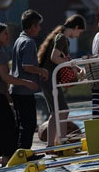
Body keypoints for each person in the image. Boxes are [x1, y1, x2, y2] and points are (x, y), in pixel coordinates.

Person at [0, 23, 38, 166]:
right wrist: (26, 83)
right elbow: (5, 77)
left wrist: (6, 93)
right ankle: (6, 158)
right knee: (9, 125)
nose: (8, 36)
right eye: (4, 33)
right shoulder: (0, 53)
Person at [37, 15, 86, 145]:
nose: (78, 35)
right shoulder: (62, 38)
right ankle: (61, 143)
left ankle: (51, 145)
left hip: (46, 78)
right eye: (79, 32)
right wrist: (72, 66)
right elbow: (54, 57)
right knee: (63, 110)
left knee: (55, 112)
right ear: (75, 27)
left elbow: (61, 58)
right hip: (50, 79)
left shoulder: (58, 36)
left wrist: (76, 67)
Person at [11, 10, 49, 150]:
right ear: (32, 26)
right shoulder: (29, 42)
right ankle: (25, 153)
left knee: (21, 123)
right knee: (30, 123)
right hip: (24, 90)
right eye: (38, 25)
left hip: (16, 89)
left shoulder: (18, 40)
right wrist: (42, 71)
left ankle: (19, 152)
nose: (39, 28)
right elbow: (27, 66)